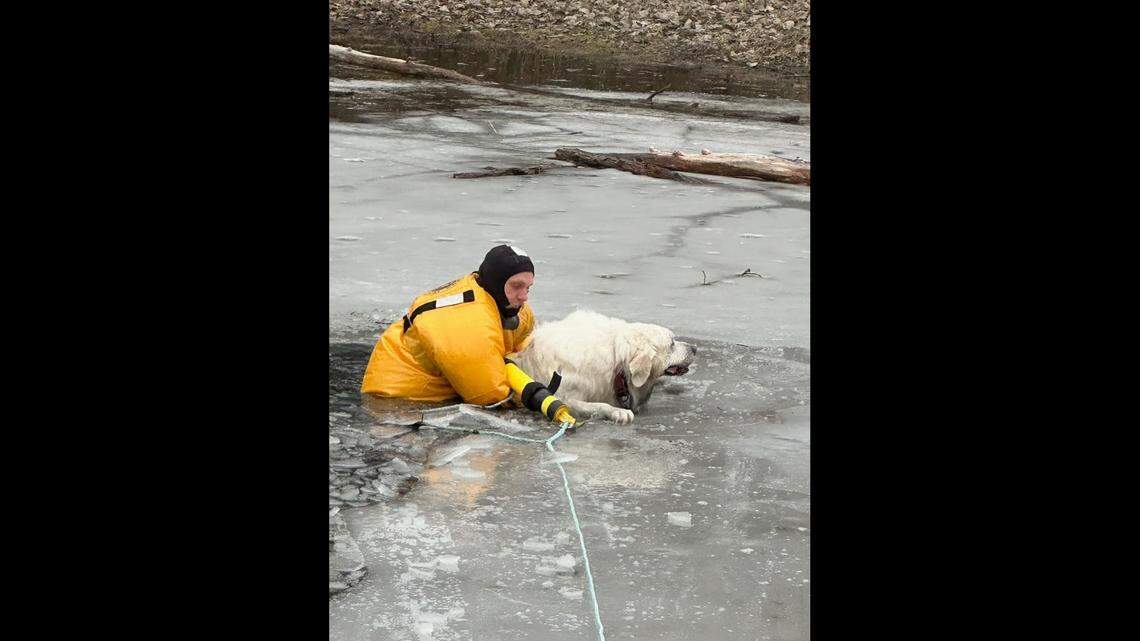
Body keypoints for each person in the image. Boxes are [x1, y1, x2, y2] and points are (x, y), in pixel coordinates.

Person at [361, 245, 536, 405]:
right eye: (516, 286)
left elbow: (523, 341)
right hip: (397, 400)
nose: (524, 296)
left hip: (433, 385)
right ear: (496, 282)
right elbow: (490, 396)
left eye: (528, 288)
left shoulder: (499, 299)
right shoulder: (469, 322)